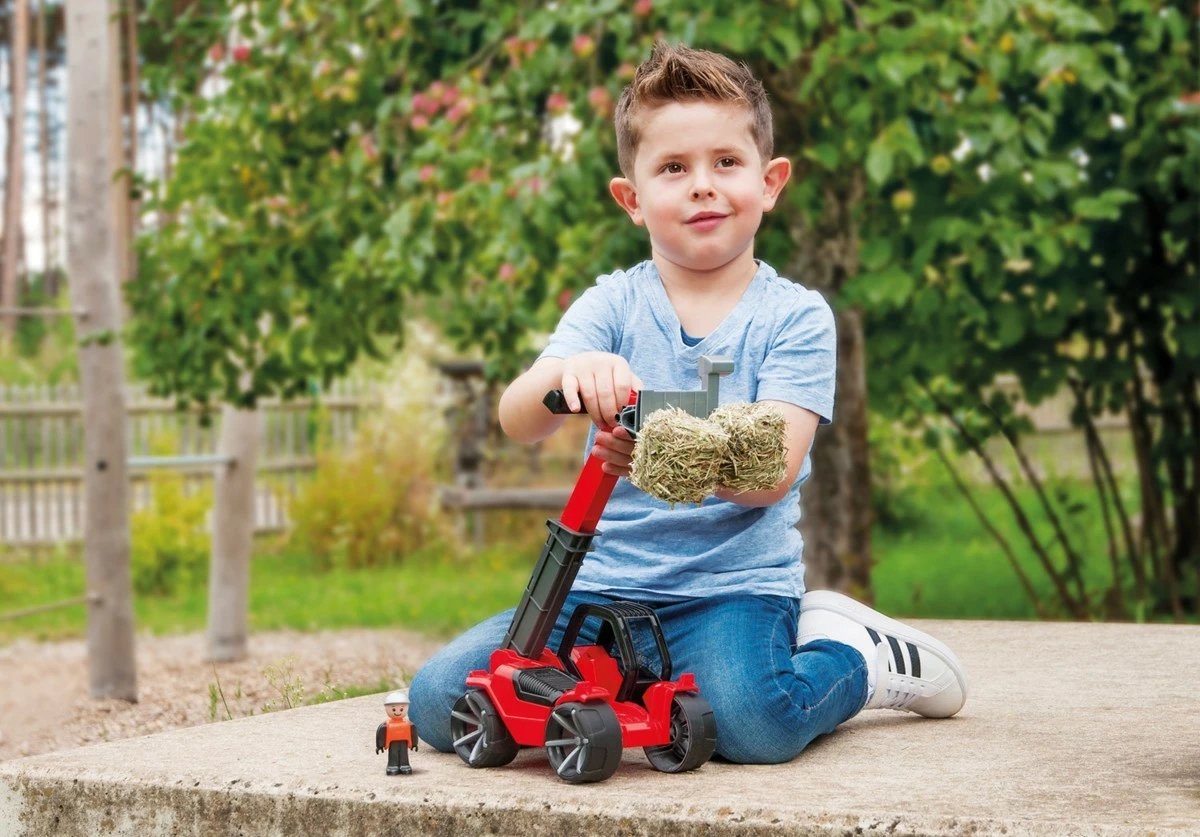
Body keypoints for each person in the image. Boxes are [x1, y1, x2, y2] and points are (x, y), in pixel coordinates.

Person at [410, 42, 967, 765]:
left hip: (729, 591)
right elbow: (518, 416)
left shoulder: (795, 318)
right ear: (632, 198)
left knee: (754, 726)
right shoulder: (612, 302)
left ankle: (853, 659)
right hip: (598, 590)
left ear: (769, 183)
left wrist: (658, 451)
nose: (702, 185)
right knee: (440, 698)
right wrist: (571, 375)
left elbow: (769, 474)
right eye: (674, 168)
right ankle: (650, 686)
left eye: (725, 163)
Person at [375, 689, 419, 775]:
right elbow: (381, 734)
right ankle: (392, 765)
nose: (398, 712)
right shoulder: (386, 725)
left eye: (401, 709)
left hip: (404, 742)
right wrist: (380, 745)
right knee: (393, 754)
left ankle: (404, 765)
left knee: (404, 753)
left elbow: (413, 733)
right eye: (394, 709)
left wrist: (414, 744)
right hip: (392, 743)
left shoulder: (408, 725)